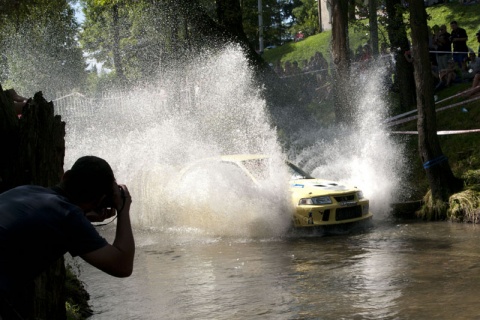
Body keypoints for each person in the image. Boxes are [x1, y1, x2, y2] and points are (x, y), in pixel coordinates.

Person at [0, 155, 134, 319]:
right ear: (101, 199)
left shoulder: (24, 190)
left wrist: (83, 218)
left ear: (66, 176)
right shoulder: (68, 217)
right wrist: (123, 210)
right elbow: (123, 265)